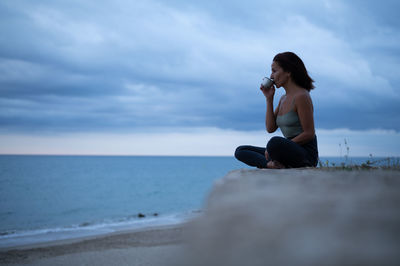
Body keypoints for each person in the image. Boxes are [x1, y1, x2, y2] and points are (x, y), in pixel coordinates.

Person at [235, 52, 318, 169]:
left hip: (305, 154)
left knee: (274, 143)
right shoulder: (283, 98)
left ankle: (277, 160)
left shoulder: (301, 96)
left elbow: (309, 133)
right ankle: (271, 165)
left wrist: (280, 147)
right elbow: (270, 128)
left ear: (288, 72)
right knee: (240, 150)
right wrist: (269, 99)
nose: (271, 76)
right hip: (284, 150)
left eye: (274, 71)